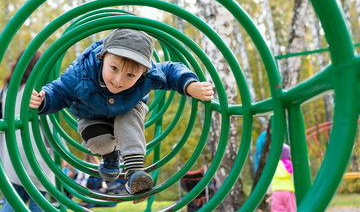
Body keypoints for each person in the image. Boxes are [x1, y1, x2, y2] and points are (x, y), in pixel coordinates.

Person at [29, 28, 214, 195]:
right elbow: (59, 90)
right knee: (97, 141)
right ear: (103, 57)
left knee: (129, 120)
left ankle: (134, 174)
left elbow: (171, 70)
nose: (119, 80)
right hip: (91, 113)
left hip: (129, 106)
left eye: (130, 75)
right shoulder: (81, 74)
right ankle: (109, 156)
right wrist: (44, 100)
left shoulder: (148, 75)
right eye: (114, 68)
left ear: (143, 73)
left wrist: (189, 84)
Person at [0, 51, 55, 212]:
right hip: (36, 157)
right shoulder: (36, 93)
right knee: (38, 203)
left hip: (12, 156)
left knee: (13, 202)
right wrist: (61, 151)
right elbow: (49, 128)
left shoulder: (7, 90)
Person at [270, 144, 297, 212]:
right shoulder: (289, 165)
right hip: (288, 191)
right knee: (292, 209)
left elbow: (270, 180)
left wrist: (269, 191)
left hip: (276, 192)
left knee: (277, 210)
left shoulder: (274, 166)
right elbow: (293, 177)